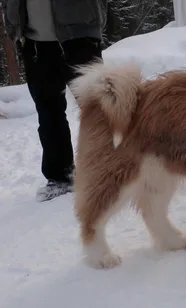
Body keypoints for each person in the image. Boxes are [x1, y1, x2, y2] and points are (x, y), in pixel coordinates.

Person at [3, 0, 108, 202]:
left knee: (99, 108)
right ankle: (61, 177)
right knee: (48, 112)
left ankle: (112, 166)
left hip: (79, 36)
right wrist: (12, 23)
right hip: (34, 42)